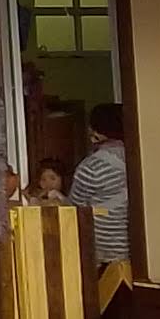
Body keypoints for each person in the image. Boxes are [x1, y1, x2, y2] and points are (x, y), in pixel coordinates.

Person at [65, 101, 133, 268]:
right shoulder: (140, 158)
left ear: (97, 130)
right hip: (138, 252)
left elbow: (73, 210)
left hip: (103, 254)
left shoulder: (93, 166)